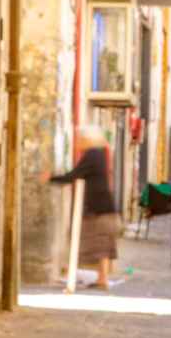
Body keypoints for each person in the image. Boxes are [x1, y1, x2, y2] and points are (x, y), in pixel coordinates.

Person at [41, 125, 118, 291]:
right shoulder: (98, 154)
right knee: (102, 244)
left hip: (99, 208)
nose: (78, 142)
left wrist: (51, 178)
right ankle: (102, 278)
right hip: (102, 207)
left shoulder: (92, 155)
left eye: (80, 139)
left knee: (100, 243)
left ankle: (102, 278)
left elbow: (74, 175)